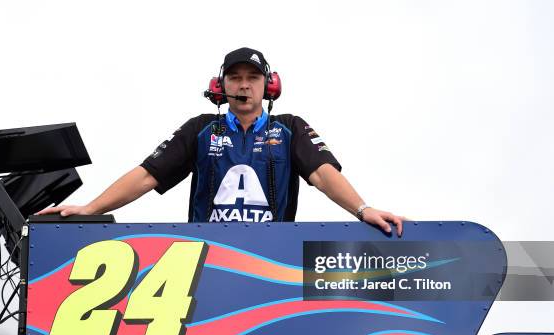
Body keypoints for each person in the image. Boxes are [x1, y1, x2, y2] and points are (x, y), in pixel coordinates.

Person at [37, 47, 405, 236]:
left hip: (270, 260)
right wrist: (92, 208)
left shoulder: (290, 127)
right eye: (235, 77)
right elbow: (148, 175)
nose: (244, 84)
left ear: (269, 85)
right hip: (207, 256)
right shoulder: (200, 128)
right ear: (220, 86)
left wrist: (362, 209)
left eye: (252, 77)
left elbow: (323, 175)